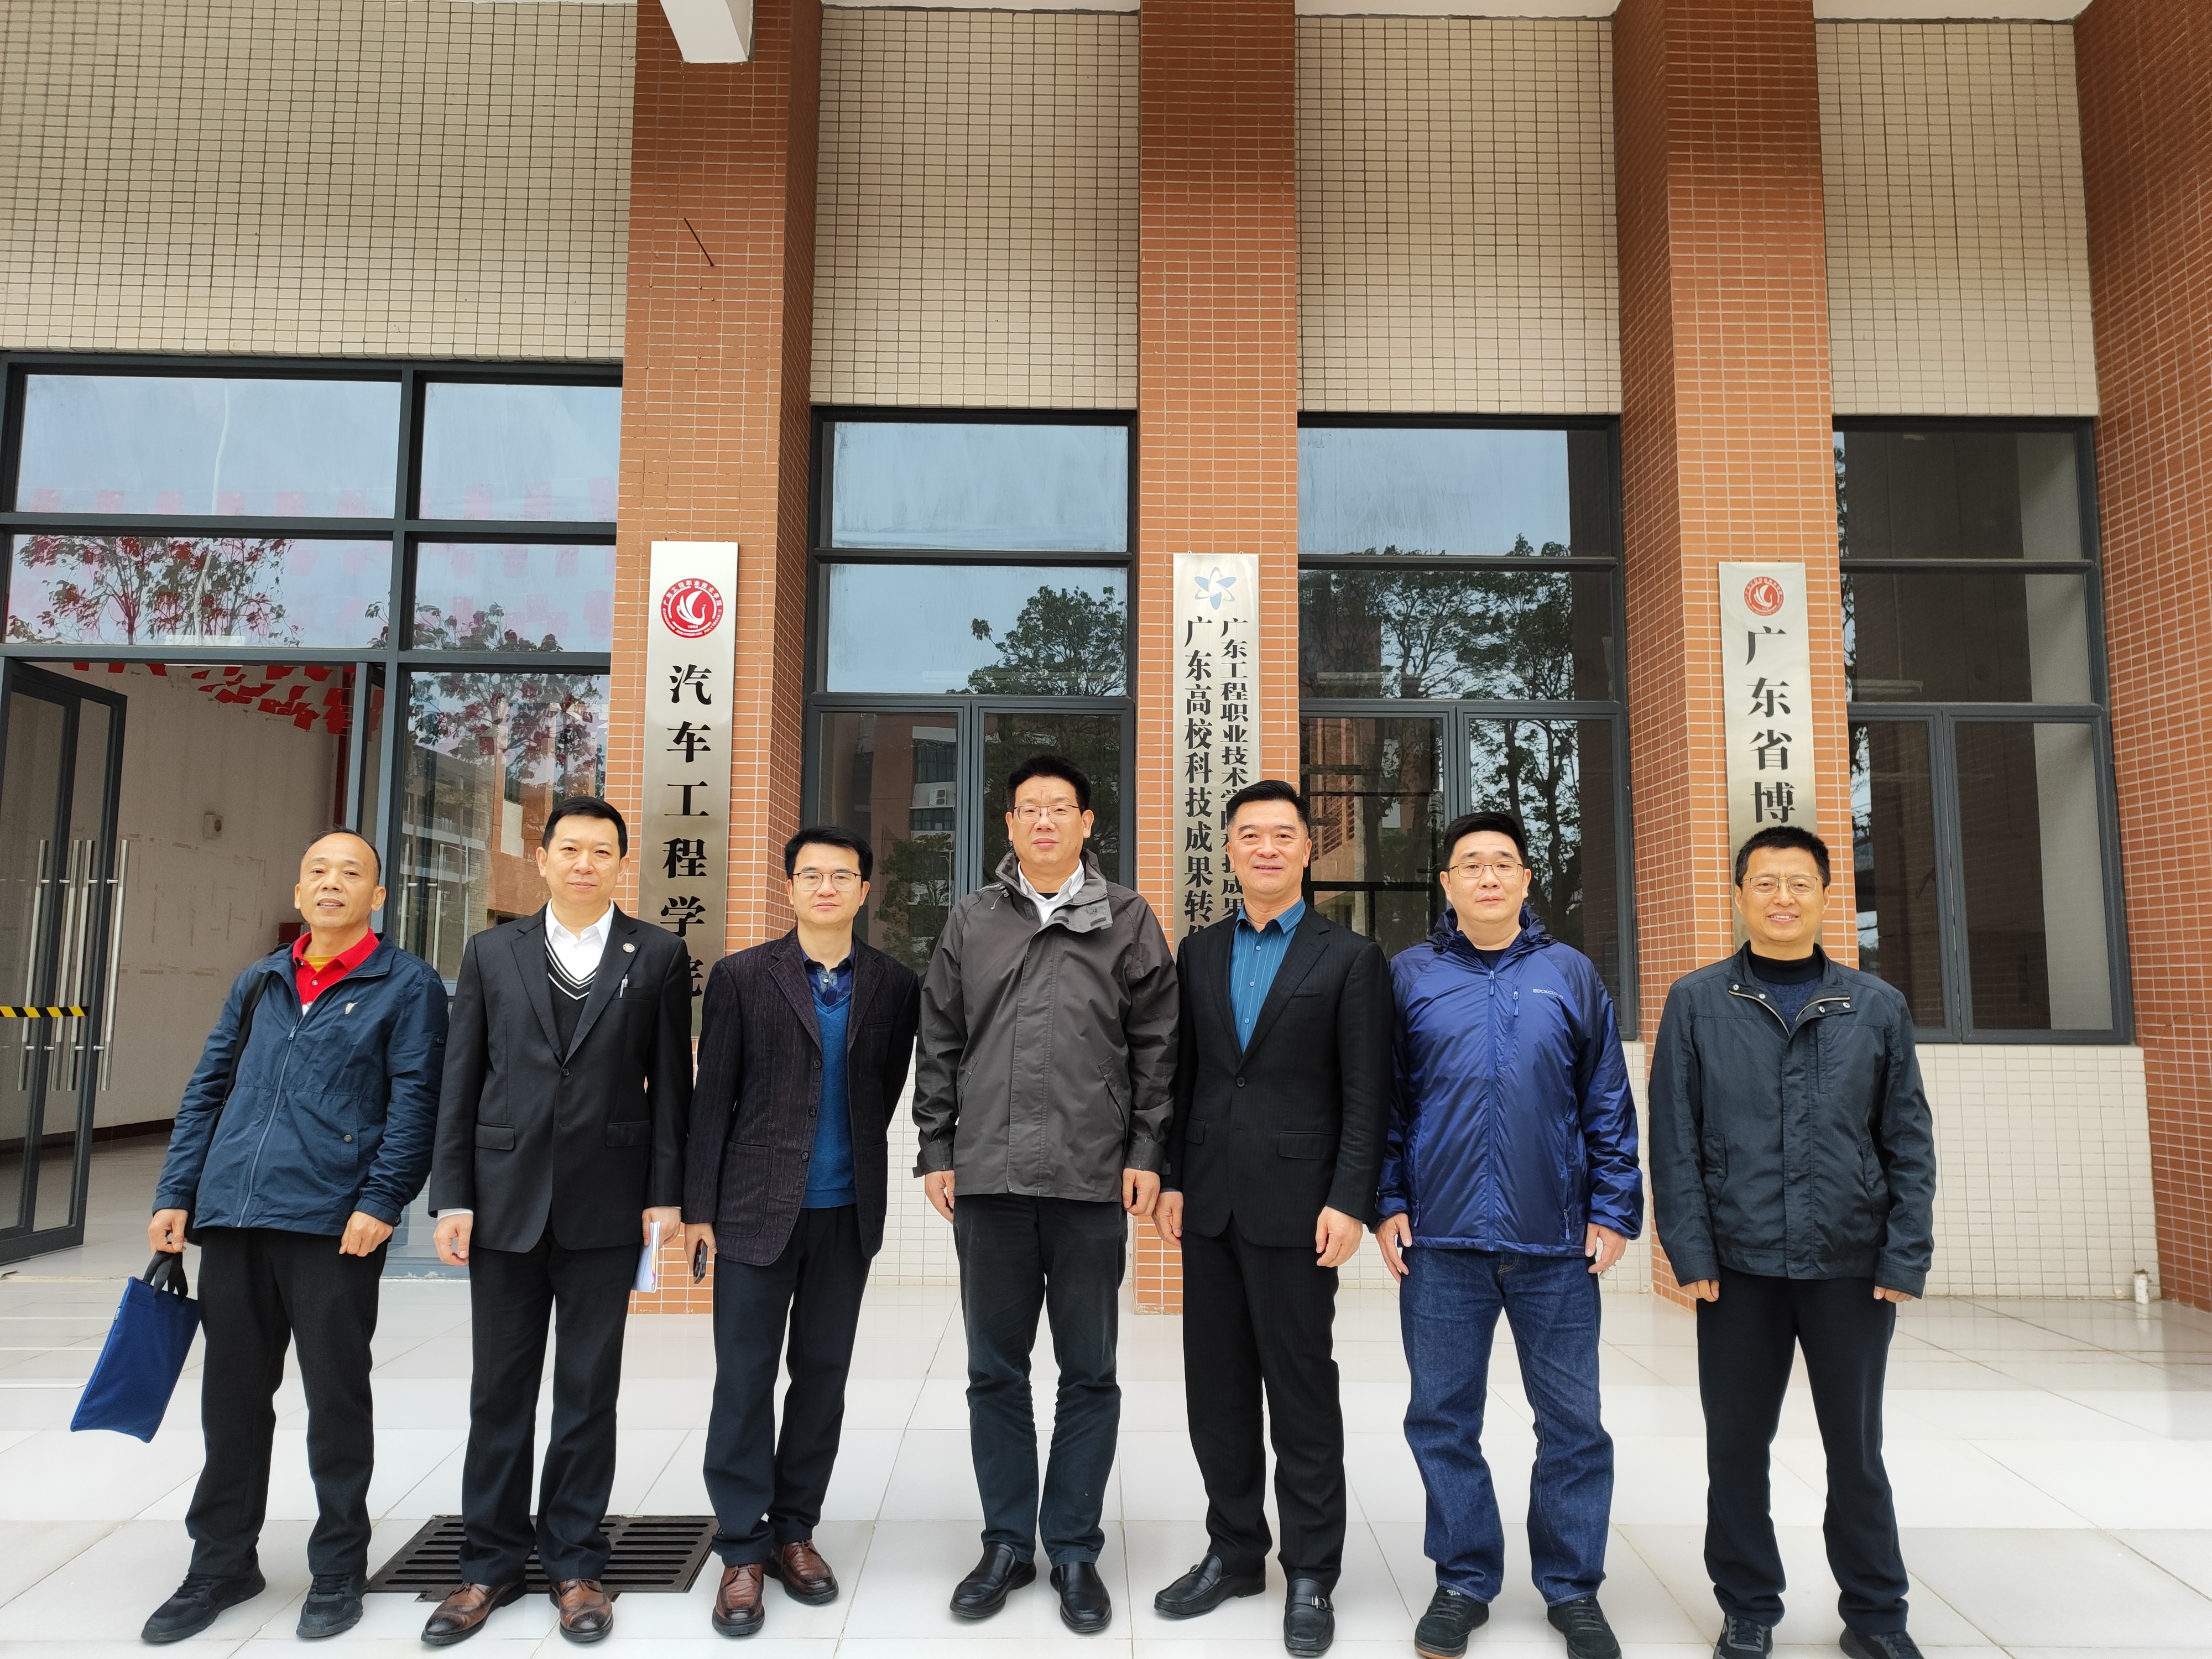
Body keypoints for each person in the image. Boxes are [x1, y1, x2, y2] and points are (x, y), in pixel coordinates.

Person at [142, 832, 447, 1645]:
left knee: (336, 1401)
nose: (332, 884)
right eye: (318, 871)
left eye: (351, 873)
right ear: (299, 889)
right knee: (231, 1401)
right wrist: (178, 1191)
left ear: (378, 897)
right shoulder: (260, 980)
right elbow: (209, 1087)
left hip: (332, 1223)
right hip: (234, 1216)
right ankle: (220, 1564)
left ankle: (339, 1565)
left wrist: (383, 1199)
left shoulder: (407, 984)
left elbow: (417, 1101)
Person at [1647, 825, 1936, 1659]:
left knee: (1857, 1451)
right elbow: (1674, 1137)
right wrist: (1691, 1253)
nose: (1783, 898)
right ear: (1739, 895)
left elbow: (1907, 1139)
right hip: (1738, 1267)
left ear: (1826, 895)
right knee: (1738, 1448)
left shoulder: (1876, 1005)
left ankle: (1876, 1615)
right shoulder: (1698, 1001)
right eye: (1766, 883)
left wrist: (1904, 1253)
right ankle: (1748, 1605)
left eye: (1800, 883)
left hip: (1850, 1264)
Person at [913, 754, 1177, 1635]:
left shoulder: (1129, 918)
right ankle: (1004, 1544)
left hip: (1090, 1177)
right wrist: (936, 1146)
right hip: (988, 1176)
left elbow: (1159, 1048)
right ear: (1010, 823)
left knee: (1089, 1372)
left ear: (1088, 823)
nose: (1044, 822)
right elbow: (939, 1038)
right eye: (1029, 809)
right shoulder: (973, 918)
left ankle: (1071, 1548)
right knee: (995, 1370)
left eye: (1060, 808)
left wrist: (1146, 1152)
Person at [421, 797, 694, 1646]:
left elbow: (671, 1089)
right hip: (502, 1202)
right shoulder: (491, 951)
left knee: (586, 1393)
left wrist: (667, 1195)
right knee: (498, 1392)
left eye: (601, 851)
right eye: (569, 849)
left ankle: (575, 1563)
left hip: (607, 1205)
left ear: (621, 863)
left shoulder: (657, 953)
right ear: (541, 859)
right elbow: (460, 1079)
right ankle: (489, 1564)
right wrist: (452, 1194)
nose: (584, 863)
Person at [1378, 810, 1641, 1659]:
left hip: (1555, 1242)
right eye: (1471, 864)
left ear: (1526, 880)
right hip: (1441, 1242)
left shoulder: (1570, 974)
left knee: (1573, 1425)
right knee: (1441, 1419)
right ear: (1447, 884)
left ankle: (1573, 1589)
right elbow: (1385, 1101)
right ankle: (1463, 1580)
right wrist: (1388, 1199)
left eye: (1503, 863)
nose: (1488, 876)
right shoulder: (1409, 977)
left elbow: (1607, 1100)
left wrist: (1613, 1210)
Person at [1151, 780, 1392, 1659]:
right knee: (1215, 1392)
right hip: (1209, 1203)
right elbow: (1185, 1077)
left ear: (1306, 848)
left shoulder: (1351, 958)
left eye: (1281, 835)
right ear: (1229, 849)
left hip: (1301, 1208)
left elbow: (1368, 1092)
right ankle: (1235, 1552)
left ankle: (1314, 1571)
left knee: (1300, 1393)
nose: (1264, 848)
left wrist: (1350, 1200)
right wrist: (1173, 1177)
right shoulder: (1199, 951)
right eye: (1248, 834)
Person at [679, 826, 921, 1637]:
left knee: (822, 1378)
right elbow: (713, 1097)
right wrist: (699, 1208)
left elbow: (884, 1087)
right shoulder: (743, 976)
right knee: (743, 1380)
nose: (826, 887)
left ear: (864, 890)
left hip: (845, 1213)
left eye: (841, 876)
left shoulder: (895, 984)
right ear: (789, 888)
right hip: (752, 1210)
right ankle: (741, 1547)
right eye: (811, 875)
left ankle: (794, 1532)